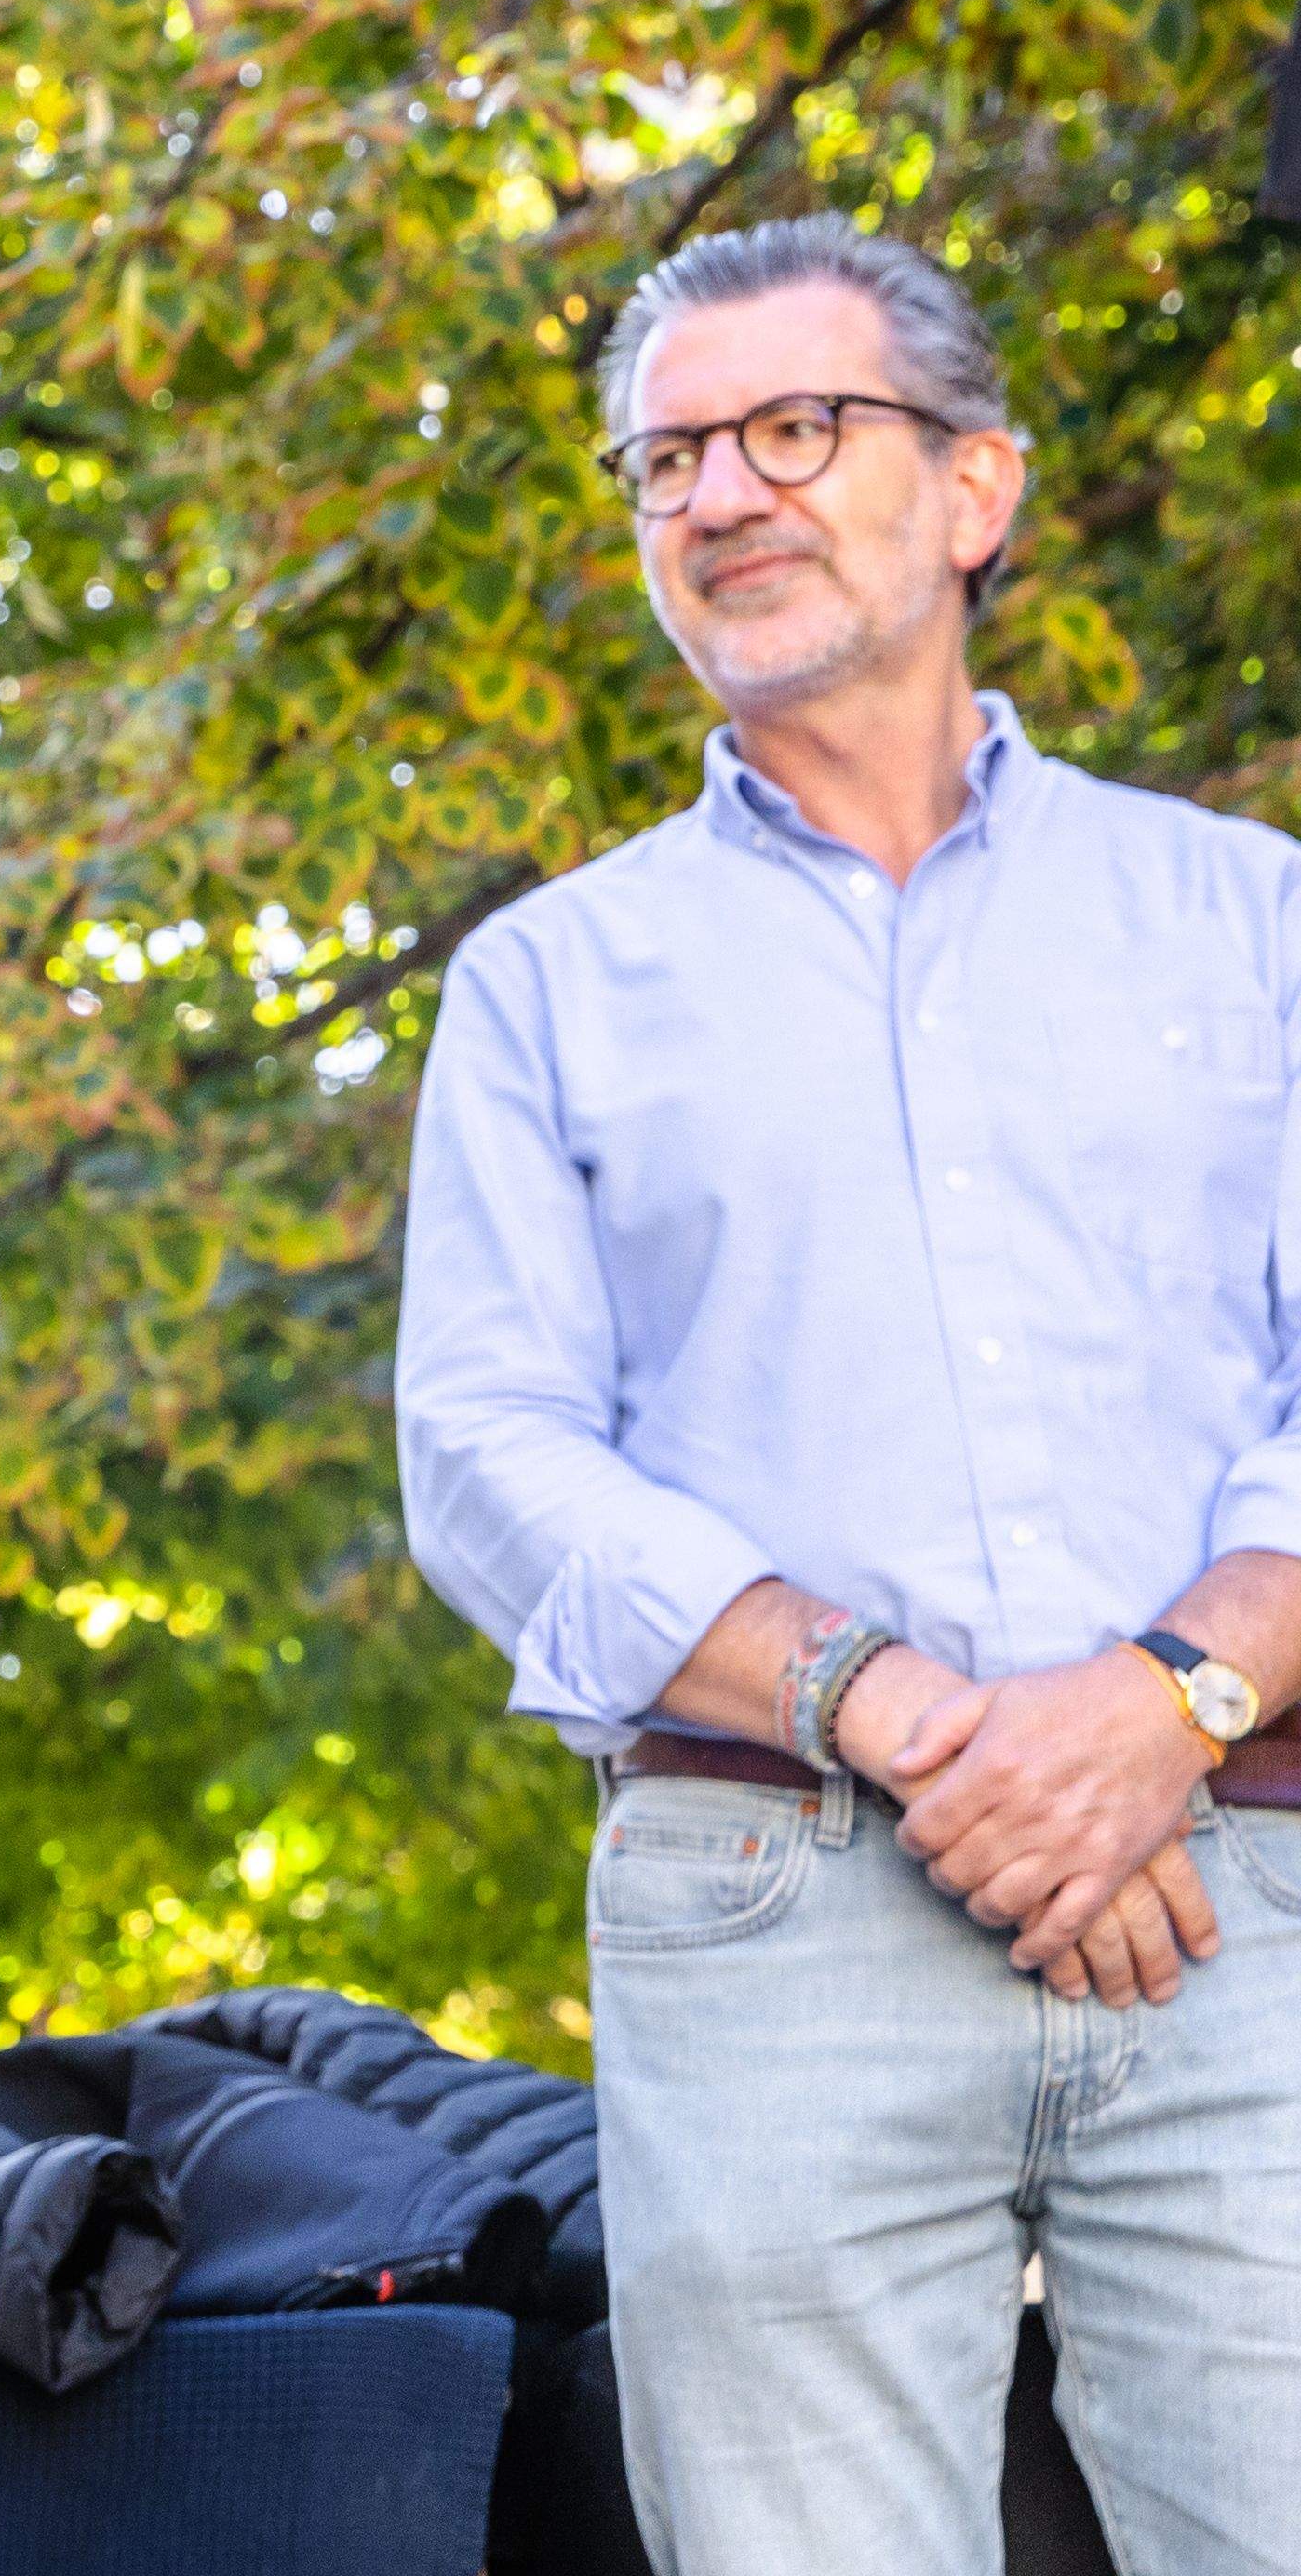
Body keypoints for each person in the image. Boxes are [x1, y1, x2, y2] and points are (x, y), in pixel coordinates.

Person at [399, 214, 1301, 2570]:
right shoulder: (546, 986)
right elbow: (486, 1461)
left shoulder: (1256, 919)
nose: (722, 493)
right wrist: (912, 1711)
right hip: (773, 1894)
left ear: (978, 485)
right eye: (667, 457)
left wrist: (1163, 1702)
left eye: (797, 426)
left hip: (1255, 1887)